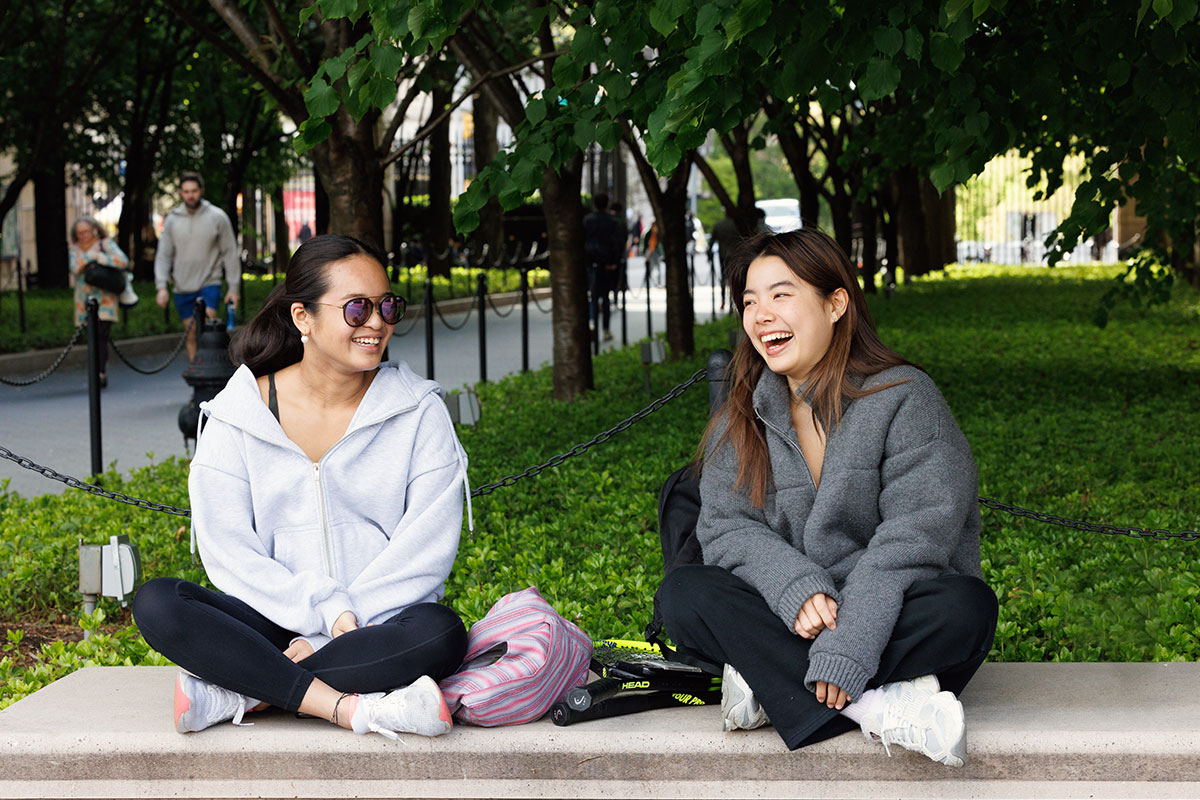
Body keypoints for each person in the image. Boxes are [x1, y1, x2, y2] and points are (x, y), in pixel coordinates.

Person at [658, 228, 996, 766]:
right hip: (790, 614)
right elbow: (726, 528)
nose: (761, 314)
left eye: (781, 294)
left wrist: (850, 645)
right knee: (683, 595)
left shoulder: (904, 397)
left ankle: (770, 685)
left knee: (966, 608)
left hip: (892, 612)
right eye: (749, 301)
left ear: (836, 303)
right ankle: (880, 708)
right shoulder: (741, 414)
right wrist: (796, 588)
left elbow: (912, 541)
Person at [132, 234, 471, 739]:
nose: (376, 323)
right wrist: (319, 611)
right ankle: (345, 706)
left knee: (441, 632)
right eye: (356, 308)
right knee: (158, 603)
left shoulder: (419, 413)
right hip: (271, 618)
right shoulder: (237, 414)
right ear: (302, 318)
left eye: (387, 305)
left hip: (373, 625)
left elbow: (423, 553)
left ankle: (243, 689)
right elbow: (231, 553)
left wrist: (334, 629)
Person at [154, 172, 240, 361]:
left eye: (194, 190)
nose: (190, 195)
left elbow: (230, 253)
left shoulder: (217, 217)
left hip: (209, 282)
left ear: (201, 191)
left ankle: (213, 371)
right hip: (183, 286)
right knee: (191, 333)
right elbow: (163, 256)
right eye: (186, 191)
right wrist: (161, 287)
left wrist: (233, 288)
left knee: (208, 329)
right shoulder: (172, 220)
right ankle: (197, 375)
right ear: (180, 193)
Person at [68, 217, 130, 389]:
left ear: (94, 230)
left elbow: (122, 261)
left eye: (86, 231)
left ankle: (100, 371)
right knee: (92, 337)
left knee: (101, 334)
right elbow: (75, 267)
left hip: (106, 299)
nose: (83, 235)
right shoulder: (75, 250)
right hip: (84, 301)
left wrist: (101, 257)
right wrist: (90, 255)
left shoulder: (105, 245)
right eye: (79, 233)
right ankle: (96, 370)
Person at [583, 193, 623, 342]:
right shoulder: (613, 221)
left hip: (590, 262)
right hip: (606, 263)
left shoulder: (587, 220)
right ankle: (605, 329)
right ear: (606, 204)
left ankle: (592, 324)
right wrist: (614, 262)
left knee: (592, 296)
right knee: (605, 298)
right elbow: (616, 244)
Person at [709, 214, 739, 311]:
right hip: (734, 254)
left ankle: (723, 300)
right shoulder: (736, 225)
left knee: (723, 278)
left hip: (723, 255)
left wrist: (709, 253)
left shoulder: (719, 225)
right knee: (732, 279)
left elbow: (712, 240)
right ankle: (732, 302)